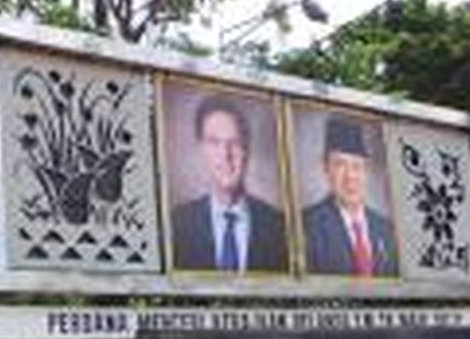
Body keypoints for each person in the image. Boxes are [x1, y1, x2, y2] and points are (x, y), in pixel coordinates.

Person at [170, 95, 289, 272]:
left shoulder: (279, 227)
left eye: (235, 143)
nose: (225, 155)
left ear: (247, 149)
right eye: (214, 143)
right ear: (201, 149)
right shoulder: (177, 224)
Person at [302, 116, 399, 277]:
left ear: (366, 171)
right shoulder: (308, 226)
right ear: (326, 168)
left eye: (357, 166)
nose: (350, 176)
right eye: (340, 165)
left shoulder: (386, 229)